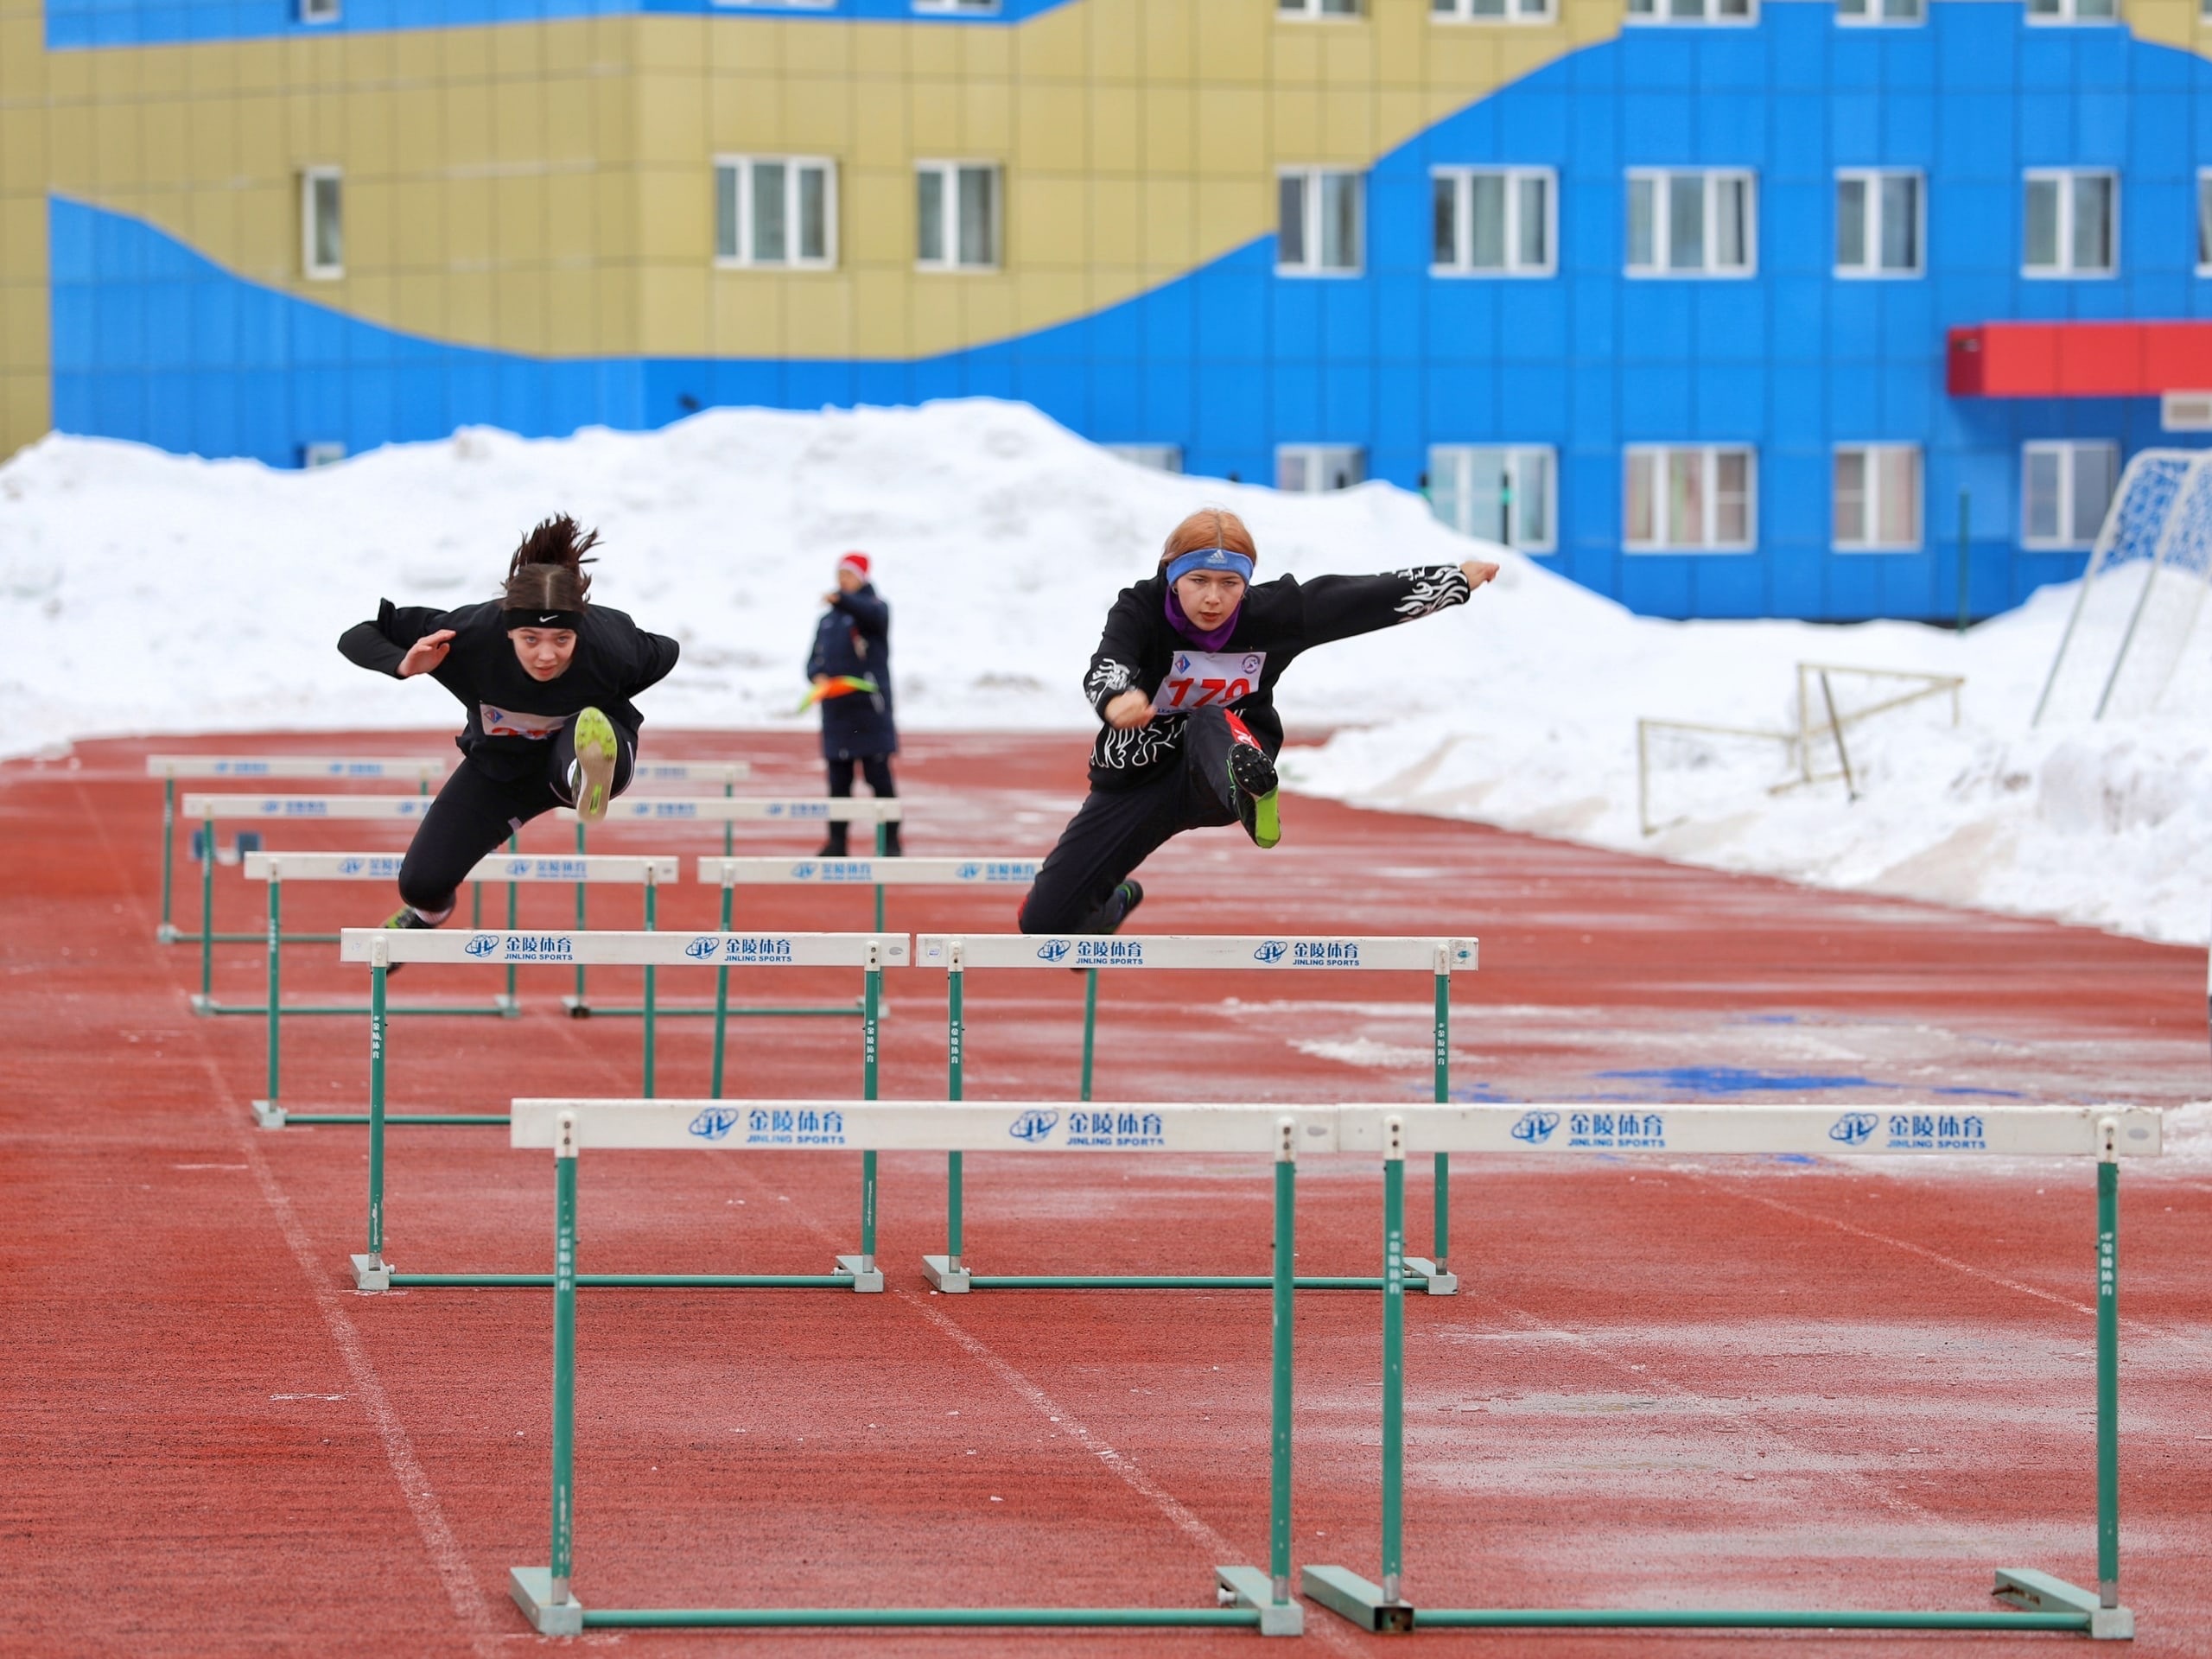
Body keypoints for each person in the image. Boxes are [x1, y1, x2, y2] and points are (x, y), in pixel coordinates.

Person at [1018, 507, 1498, 936]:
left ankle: (1251, 791)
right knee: (1043, 923)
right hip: (1139, 776)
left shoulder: (1272, 616)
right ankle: (1110, 908)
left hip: (1221, 769)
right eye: (1198, 581)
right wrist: (1116, 697)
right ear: (1172, 575)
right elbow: (1110, 658)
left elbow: (1356, 599)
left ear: (1246, 583)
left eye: (1230, 584)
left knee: (1208, 716)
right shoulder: (1140, 608)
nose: (1213, 599)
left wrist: (1453, 579)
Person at [337, 514, 680, 945]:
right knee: (420, 883)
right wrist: (406, 665)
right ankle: (427, 914)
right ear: (508, 631)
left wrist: (609, 695)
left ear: (579, 632)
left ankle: (588, 773)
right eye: (530, 640)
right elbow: (358, 634)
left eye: (562, 640)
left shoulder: (611, 645)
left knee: (586, 730)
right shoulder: (471, 636)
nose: (546, 656)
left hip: (578, 753)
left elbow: (667, 652)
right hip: (500, 773)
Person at [806, 551, 900, 857]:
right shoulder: (827, 621)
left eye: (848, 576)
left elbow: (871, 615)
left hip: (868, 711)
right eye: (840, 575)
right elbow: (812, 661)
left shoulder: (875, 609)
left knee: (878, 779)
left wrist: (841, 600)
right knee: (838, 782)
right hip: (836, 712)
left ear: (861, 578)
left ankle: (890, 841)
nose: (842, 581)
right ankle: (837, 842)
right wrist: (816, 675)